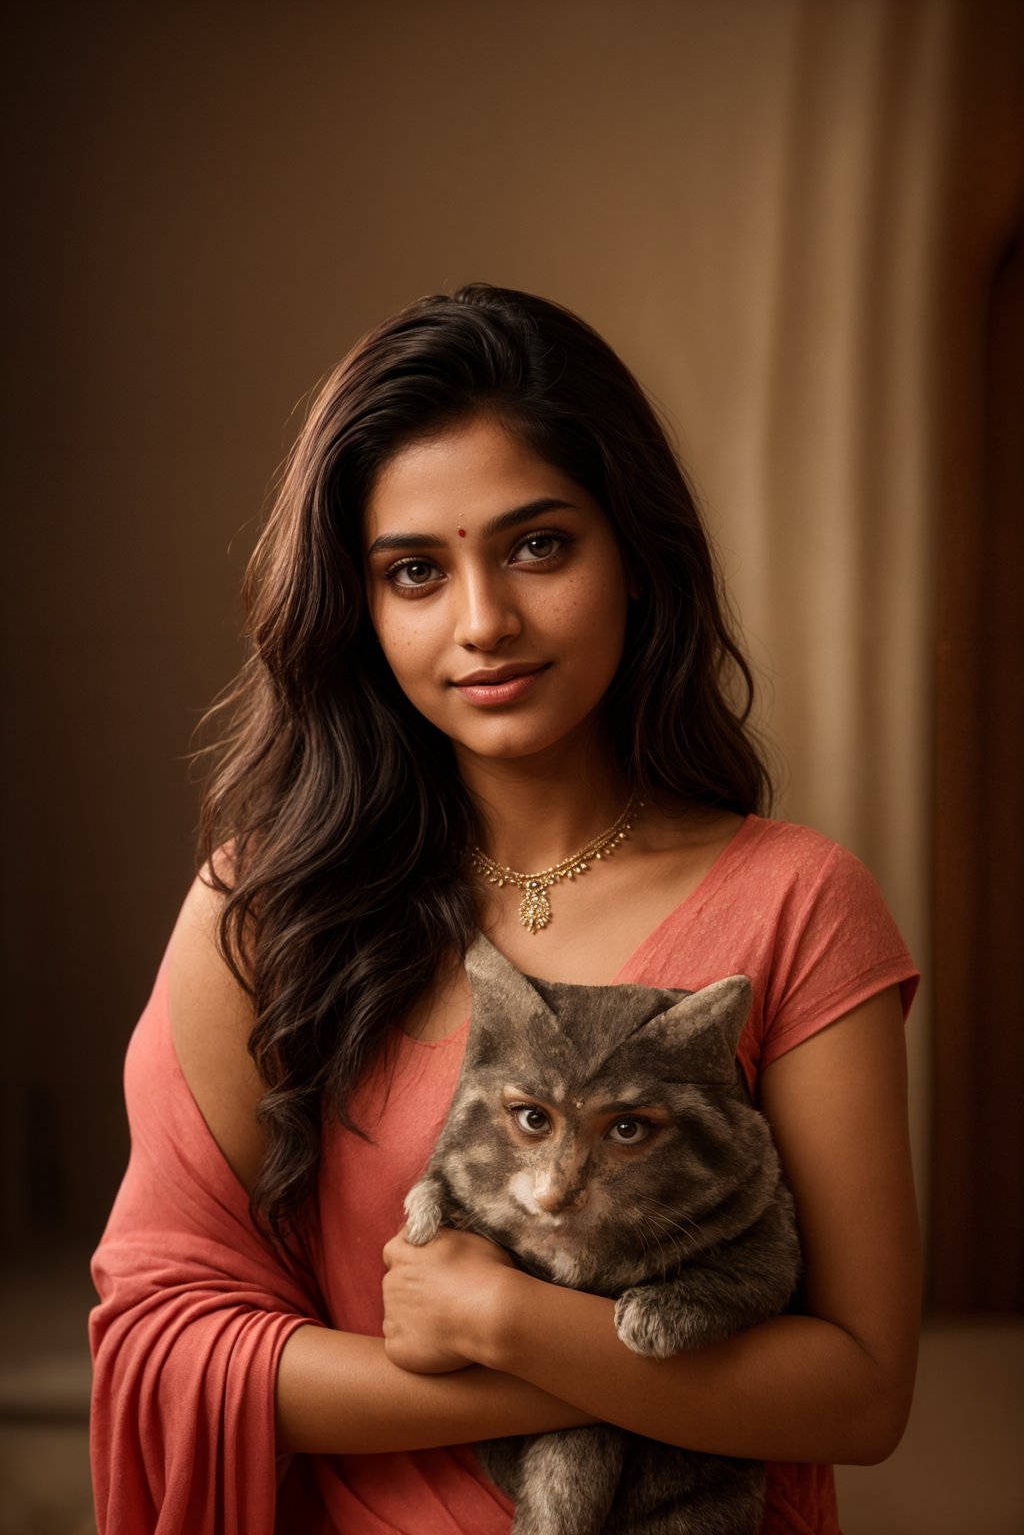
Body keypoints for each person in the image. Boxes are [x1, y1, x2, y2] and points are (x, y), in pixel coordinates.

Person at [89, 283, 921, 1535]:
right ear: (360, 613)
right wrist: (571, 1373)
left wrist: (506, 1322)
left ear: (635, 557)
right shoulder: (267, 914)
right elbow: (162, 1343)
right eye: (415, 572)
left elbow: (857, 1393)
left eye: (538, 545)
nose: (484, 624)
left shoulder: (796, 904)